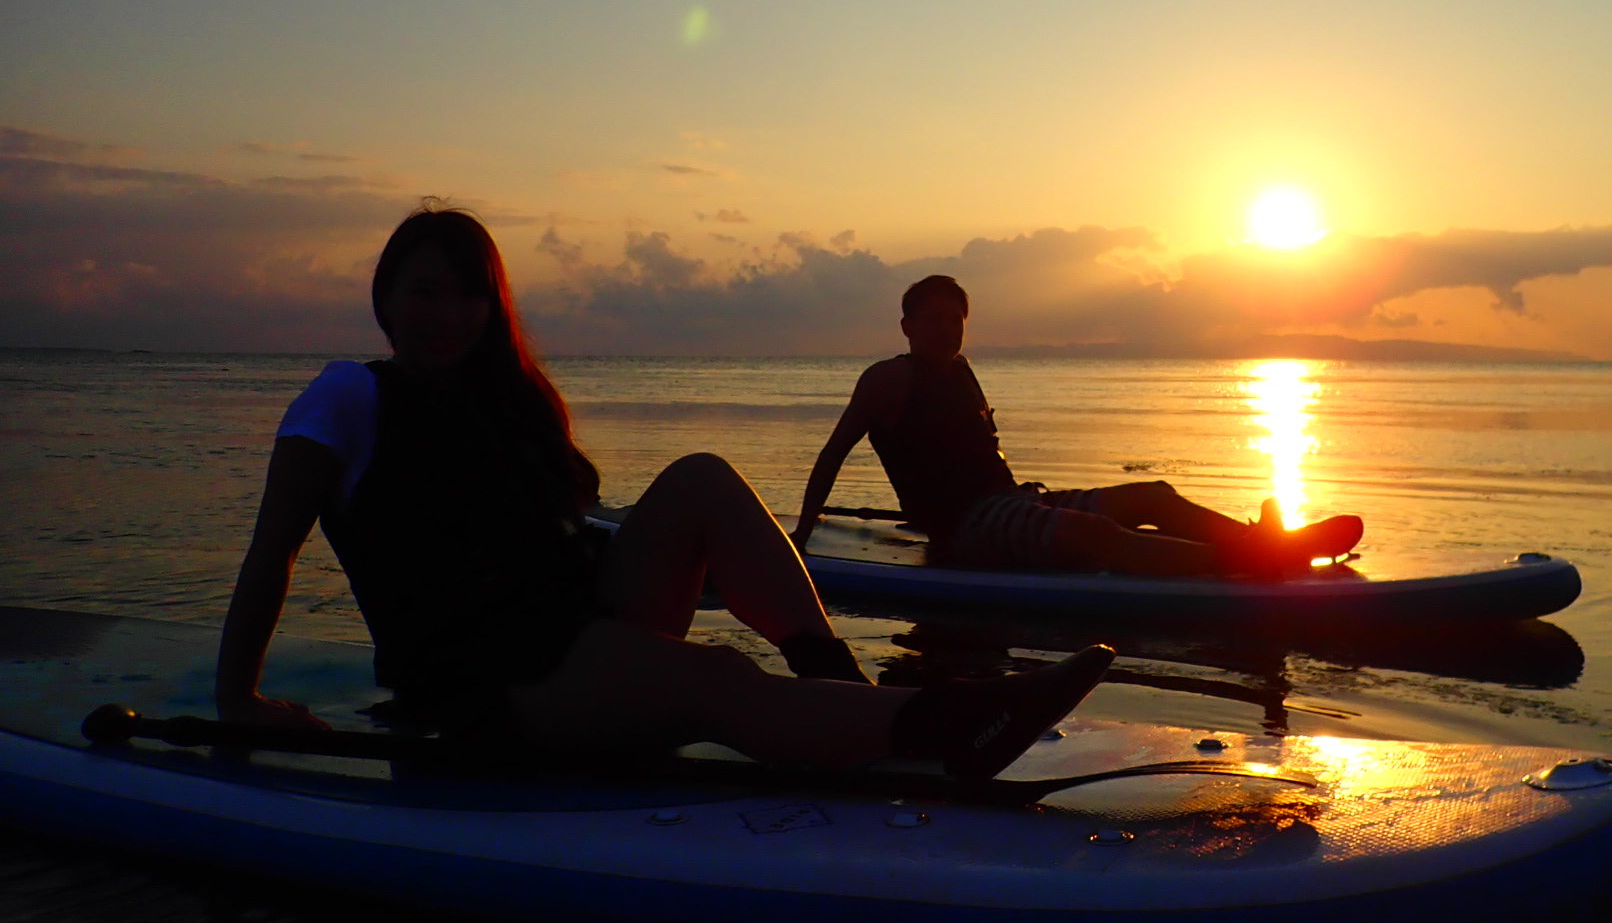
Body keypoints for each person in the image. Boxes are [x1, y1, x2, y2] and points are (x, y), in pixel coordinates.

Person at [216, 208, 1112, 777]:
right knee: (717, 676)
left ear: (490, 308)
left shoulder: (505, 404)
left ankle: (842, 690)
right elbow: (272, 552)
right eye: (423, 293)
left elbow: (555, 535)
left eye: (466, 295)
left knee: (701, 480)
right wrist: (239, 699)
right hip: (488, 683)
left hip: (571, 626)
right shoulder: (349, 397)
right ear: (386, 299)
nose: (444, 314)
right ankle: (938, 732)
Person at [794, 275, 1364, 576]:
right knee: (1094, 539)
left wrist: (1027, 506)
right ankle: (1253, 561)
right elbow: (833, 452)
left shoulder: (962, 372)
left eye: (956, 320)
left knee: (1153, 496)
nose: (947, 330)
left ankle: (1268, 544)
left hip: (1012, 505)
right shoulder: (888, 380)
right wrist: (802, 533)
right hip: (967, 529)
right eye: (934, 320)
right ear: (907, 326)